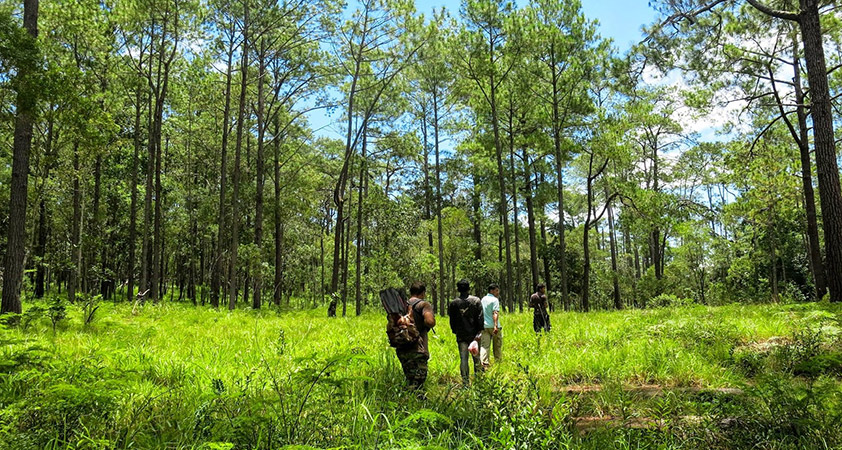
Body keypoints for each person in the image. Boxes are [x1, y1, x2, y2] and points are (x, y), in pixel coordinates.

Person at [396, 281, 436, 389]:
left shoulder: (402, 305)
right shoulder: (423, 304)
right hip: (418, 348)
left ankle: (408, 397)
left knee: (410, 379)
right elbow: (430, 321)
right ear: (422, 293)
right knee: (418, 383)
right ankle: (414, 398)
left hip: (402, 347)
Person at [448, 279, 483, 384]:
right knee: (477, 358)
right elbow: (480, 318)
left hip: (461, 335)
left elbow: (452, 320)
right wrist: (479, 332)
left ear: (458, 289)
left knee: (463, 359)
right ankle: (479, 382)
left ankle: (465, 383)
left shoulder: (454, 303)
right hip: (474, 335)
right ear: (469, 288)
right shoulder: (476, 301)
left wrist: (455, 331)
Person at [480, 284, 502, 369]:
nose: (498, 292)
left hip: (485, 326)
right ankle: (498, 363)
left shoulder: (483, 299)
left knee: (485, 346)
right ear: (491, 291)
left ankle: (484, 364)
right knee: (497, 346)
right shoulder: (495, 300)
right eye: (496, 290)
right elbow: (495, 312)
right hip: (493, 326)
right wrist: (495, 325)